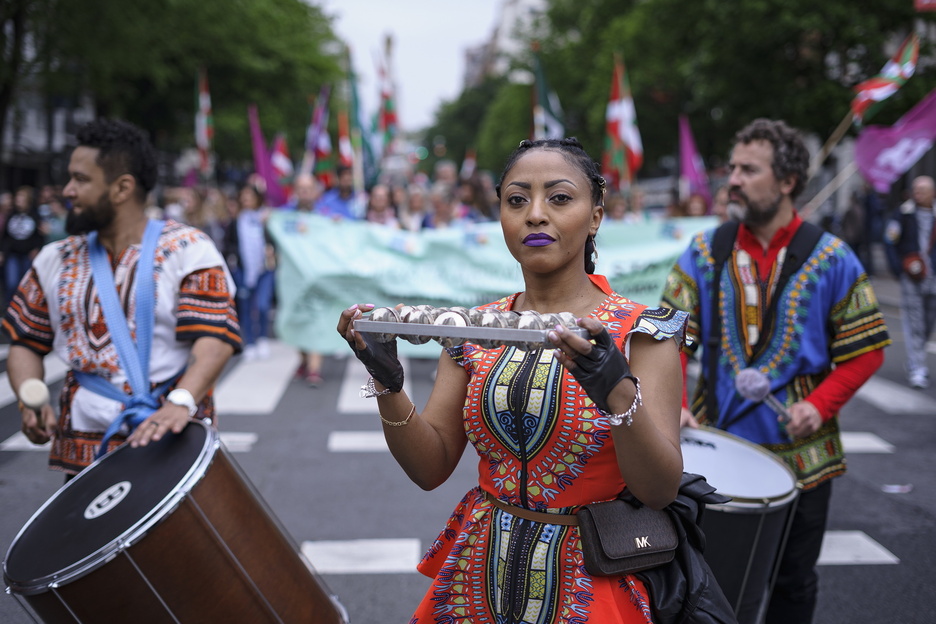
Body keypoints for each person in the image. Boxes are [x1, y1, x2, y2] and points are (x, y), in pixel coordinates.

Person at [338, 137, 688, 623]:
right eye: (517, 200)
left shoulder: (641, 333)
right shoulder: (473, 329)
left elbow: (658, 491)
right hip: (477, 580)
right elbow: (430, 468)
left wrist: (616, 388)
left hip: (594, 582)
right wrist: (387, 384)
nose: (535, 215)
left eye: (560, 198)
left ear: (595, 217)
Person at [660, 118, 891, 624]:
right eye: (733, 167)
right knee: (709, 587)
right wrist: (674, 403)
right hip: (715, 453)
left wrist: (819, 405)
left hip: (806, 458)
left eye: (749, 169)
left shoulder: (834, 258)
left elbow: (866, 350)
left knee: (793, 583)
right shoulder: (704, 252)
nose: (733, 179)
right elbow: (669, 337)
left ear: (786, 182)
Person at [4, 118, 241, 476]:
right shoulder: (54, 259)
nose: (66, 191)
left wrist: (181, 401)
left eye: (80, 180)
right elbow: (26, 341)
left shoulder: (190, 250)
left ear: (122, 188)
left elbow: (215, 339)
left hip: (173, 440)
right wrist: (28, 395)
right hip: (84, 454)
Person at [885, 174, 936, 389]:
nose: (918, 194)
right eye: (916, 190)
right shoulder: (903, 213)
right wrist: (898, 269)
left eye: (923, 190)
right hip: (911, 278)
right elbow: (890, 240)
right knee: (914, 321)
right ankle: (917, 366)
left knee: (928, 322)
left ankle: (916, 358)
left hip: (933, 278)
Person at [222, 183, 275, 361]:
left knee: (262, 305)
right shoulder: (236, 221)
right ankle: (250, 342)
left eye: (249, 196)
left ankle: (262, 338)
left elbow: (276, 240)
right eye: (243, 196)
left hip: (265, 269)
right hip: (243, 270)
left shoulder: (266, 219)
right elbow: (228, 245)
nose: (246, 200)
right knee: (244, 307)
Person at [1, 186, 46, 306]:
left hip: (28, 254)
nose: (18, 200)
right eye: (17, 197)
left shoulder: (35, 215)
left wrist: (37, 248)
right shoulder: (11, 214)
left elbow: (40, 235)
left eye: (21, 197)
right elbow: (5, 236)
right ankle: (8, 310)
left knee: (26, 284)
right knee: (11, 282)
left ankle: (22, 310)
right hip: (13, 254)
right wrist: (2, 252)